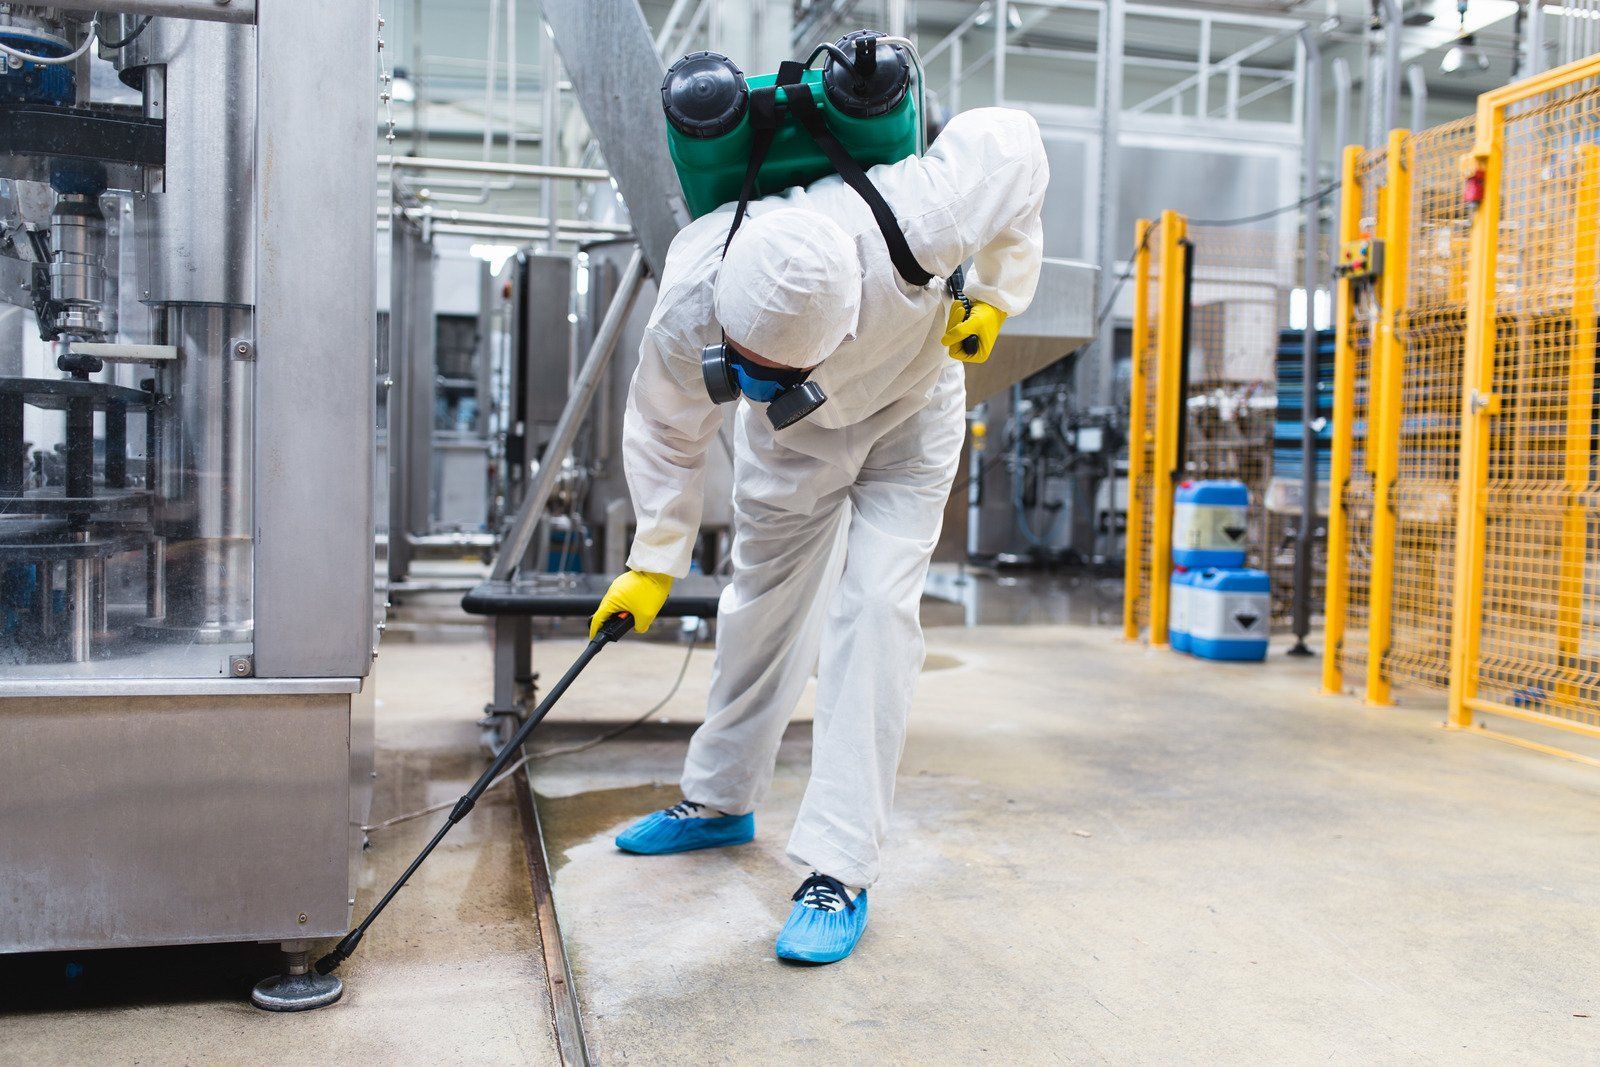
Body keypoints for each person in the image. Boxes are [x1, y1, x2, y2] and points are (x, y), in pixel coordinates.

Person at [591, 106, 1048, 964]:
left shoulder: (921, 219)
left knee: (875, 611)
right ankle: (720, 799)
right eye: (745, 368)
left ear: (842, 328)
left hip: (910, 417)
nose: (755, 380)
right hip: (790, 442)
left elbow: (1016, 143)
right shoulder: (698, 292)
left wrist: (994, 291)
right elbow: (663, 426)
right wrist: (654, 557)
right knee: (760, 601)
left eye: (779, 373)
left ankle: (839, 864)